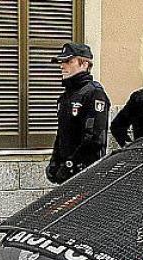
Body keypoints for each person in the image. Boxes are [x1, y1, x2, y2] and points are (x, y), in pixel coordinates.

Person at [47, 42, 111, 184]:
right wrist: (55, 162)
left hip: (87, 174)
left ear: (84, 64)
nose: (62, 66)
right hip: (67, 174)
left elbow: (94, 139)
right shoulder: (65, 97)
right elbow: (62, 133)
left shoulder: (94, 93)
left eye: (69, 61)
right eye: (62, 62)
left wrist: (70, 165)